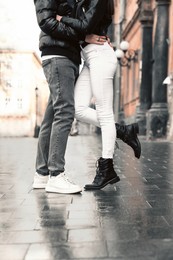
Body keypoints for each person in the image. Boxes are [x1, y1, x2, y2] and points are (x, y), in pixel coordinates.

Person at [56, 0, 141, 190]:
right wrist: (83, 38)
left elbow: (85, 26)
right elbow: (85, 30)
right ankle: (123, 131)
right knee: (77, 109)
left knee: (104, 113)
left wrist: (62, 19)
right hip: (89, 57)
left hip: (100, 56)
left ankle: (107, 168)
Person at [32, 0, 107, 194]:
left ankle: (42, 174)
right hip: (59, 56)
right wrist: (83, 36)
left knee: (52, 116)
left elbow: (70, 22)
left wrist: (83, 36)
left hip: (66, 56)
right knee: (65, 113)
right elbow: (46, 21)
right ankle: (56, 175)